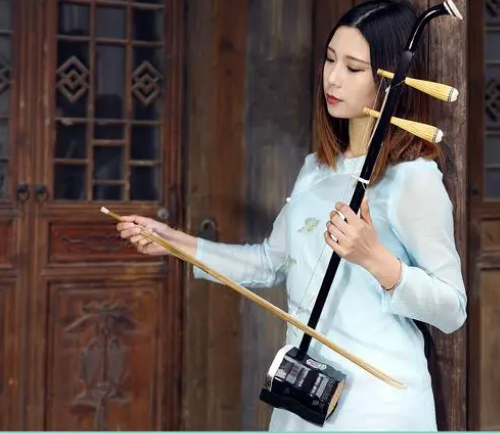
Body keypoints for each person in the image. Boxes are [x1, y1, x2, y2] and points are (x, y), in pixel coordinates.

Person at [116, 0, 467, 430]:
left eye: (354, 68)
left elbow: (452, 309)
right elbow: (269, 262)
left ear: (391, 80)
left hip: (379, 404)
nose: (333, 78)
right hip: (304, 395)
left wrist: (376, 259)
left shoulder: (412, 178)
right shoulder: (316, 169)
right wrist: (173, 242)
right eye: (330, 60)